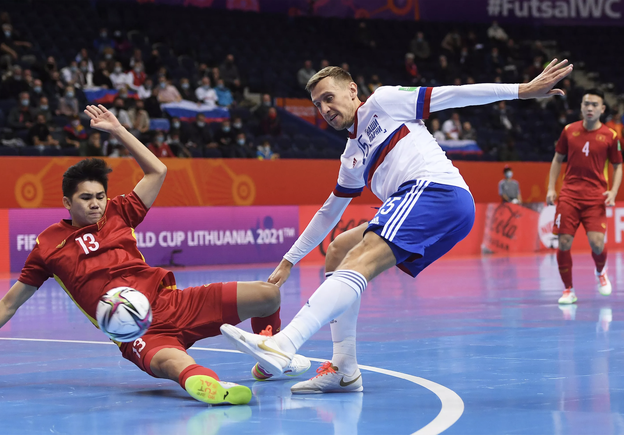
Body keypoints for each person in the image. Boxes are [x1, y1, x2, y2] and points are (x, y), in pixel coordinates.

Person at [220, 60, 573, 393]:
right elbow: (329, 212)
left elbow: (454, 94)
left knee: (361, 257)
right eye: (317, 104)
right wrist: (288, 261)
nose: (324, 109)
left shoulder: (385, 102)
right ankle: (344, 368)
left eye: (329, 98)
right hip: (421, 201)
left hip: (435, 190)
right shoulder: (351, 157)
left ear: (352, 91)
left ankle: (285, 343)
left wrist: (520, 90)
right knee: (342, 247)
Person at [0, 105, 310, 405]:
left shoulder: (118, 211)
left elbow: (157, 171)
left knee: (268, 295)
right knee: (173, 364)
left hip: (173, 301)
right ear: (66, 201)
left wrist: (118, 130)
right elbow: (9, 304)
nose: (95, 204)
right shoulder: (48, 245)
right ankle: (207, 385)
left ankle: (267, 361)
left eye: (99, 196)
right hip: (135, 331)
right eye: (85, 198)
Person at [546, 89, 622, 305]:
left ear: (602, 109)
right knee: (564, 242)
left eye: (595, 105)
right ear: (581, 107)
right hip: (569, 195)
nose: (590, 108)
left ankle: (601, 271)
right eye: (586, 104)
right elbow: (557, 159)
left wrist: (614, 191)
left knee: (597, 244)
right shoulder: (569, 131)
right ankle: (568, 290)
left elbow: (618, 166)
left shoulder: (611, 136)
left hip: (595, 197)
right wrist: (552, 188)